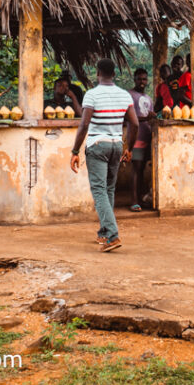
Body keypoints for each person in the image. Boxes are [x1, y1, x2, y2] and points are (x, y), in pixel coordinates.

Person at [70, 58, 138, 252]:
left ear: (98, 74)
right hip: (117, 145)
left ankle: (113, 235)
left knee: (99, 190)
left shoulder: (92, 95)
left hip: (97, 145)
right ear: (114, 75)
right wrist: (129, 148)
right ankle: (104, 232)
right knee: (108, 190)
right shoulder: (124, 95)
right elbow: (135, 124)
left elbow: (84, 125)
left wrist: (75, 151)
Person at [127, 68, 155, 211]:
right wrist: (146, 118)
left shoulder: (149, 98)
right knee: (136, 169)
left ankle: (140, 198)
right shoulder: (129, 95)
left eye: (144, 79)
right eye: (139, 79)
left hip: (148, 137)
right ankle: (133, 201)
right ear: (135, 79)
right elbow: (128, 117)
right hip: (136, 138)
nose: (142, 82)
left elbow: (149, 118)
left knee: (143, 169)